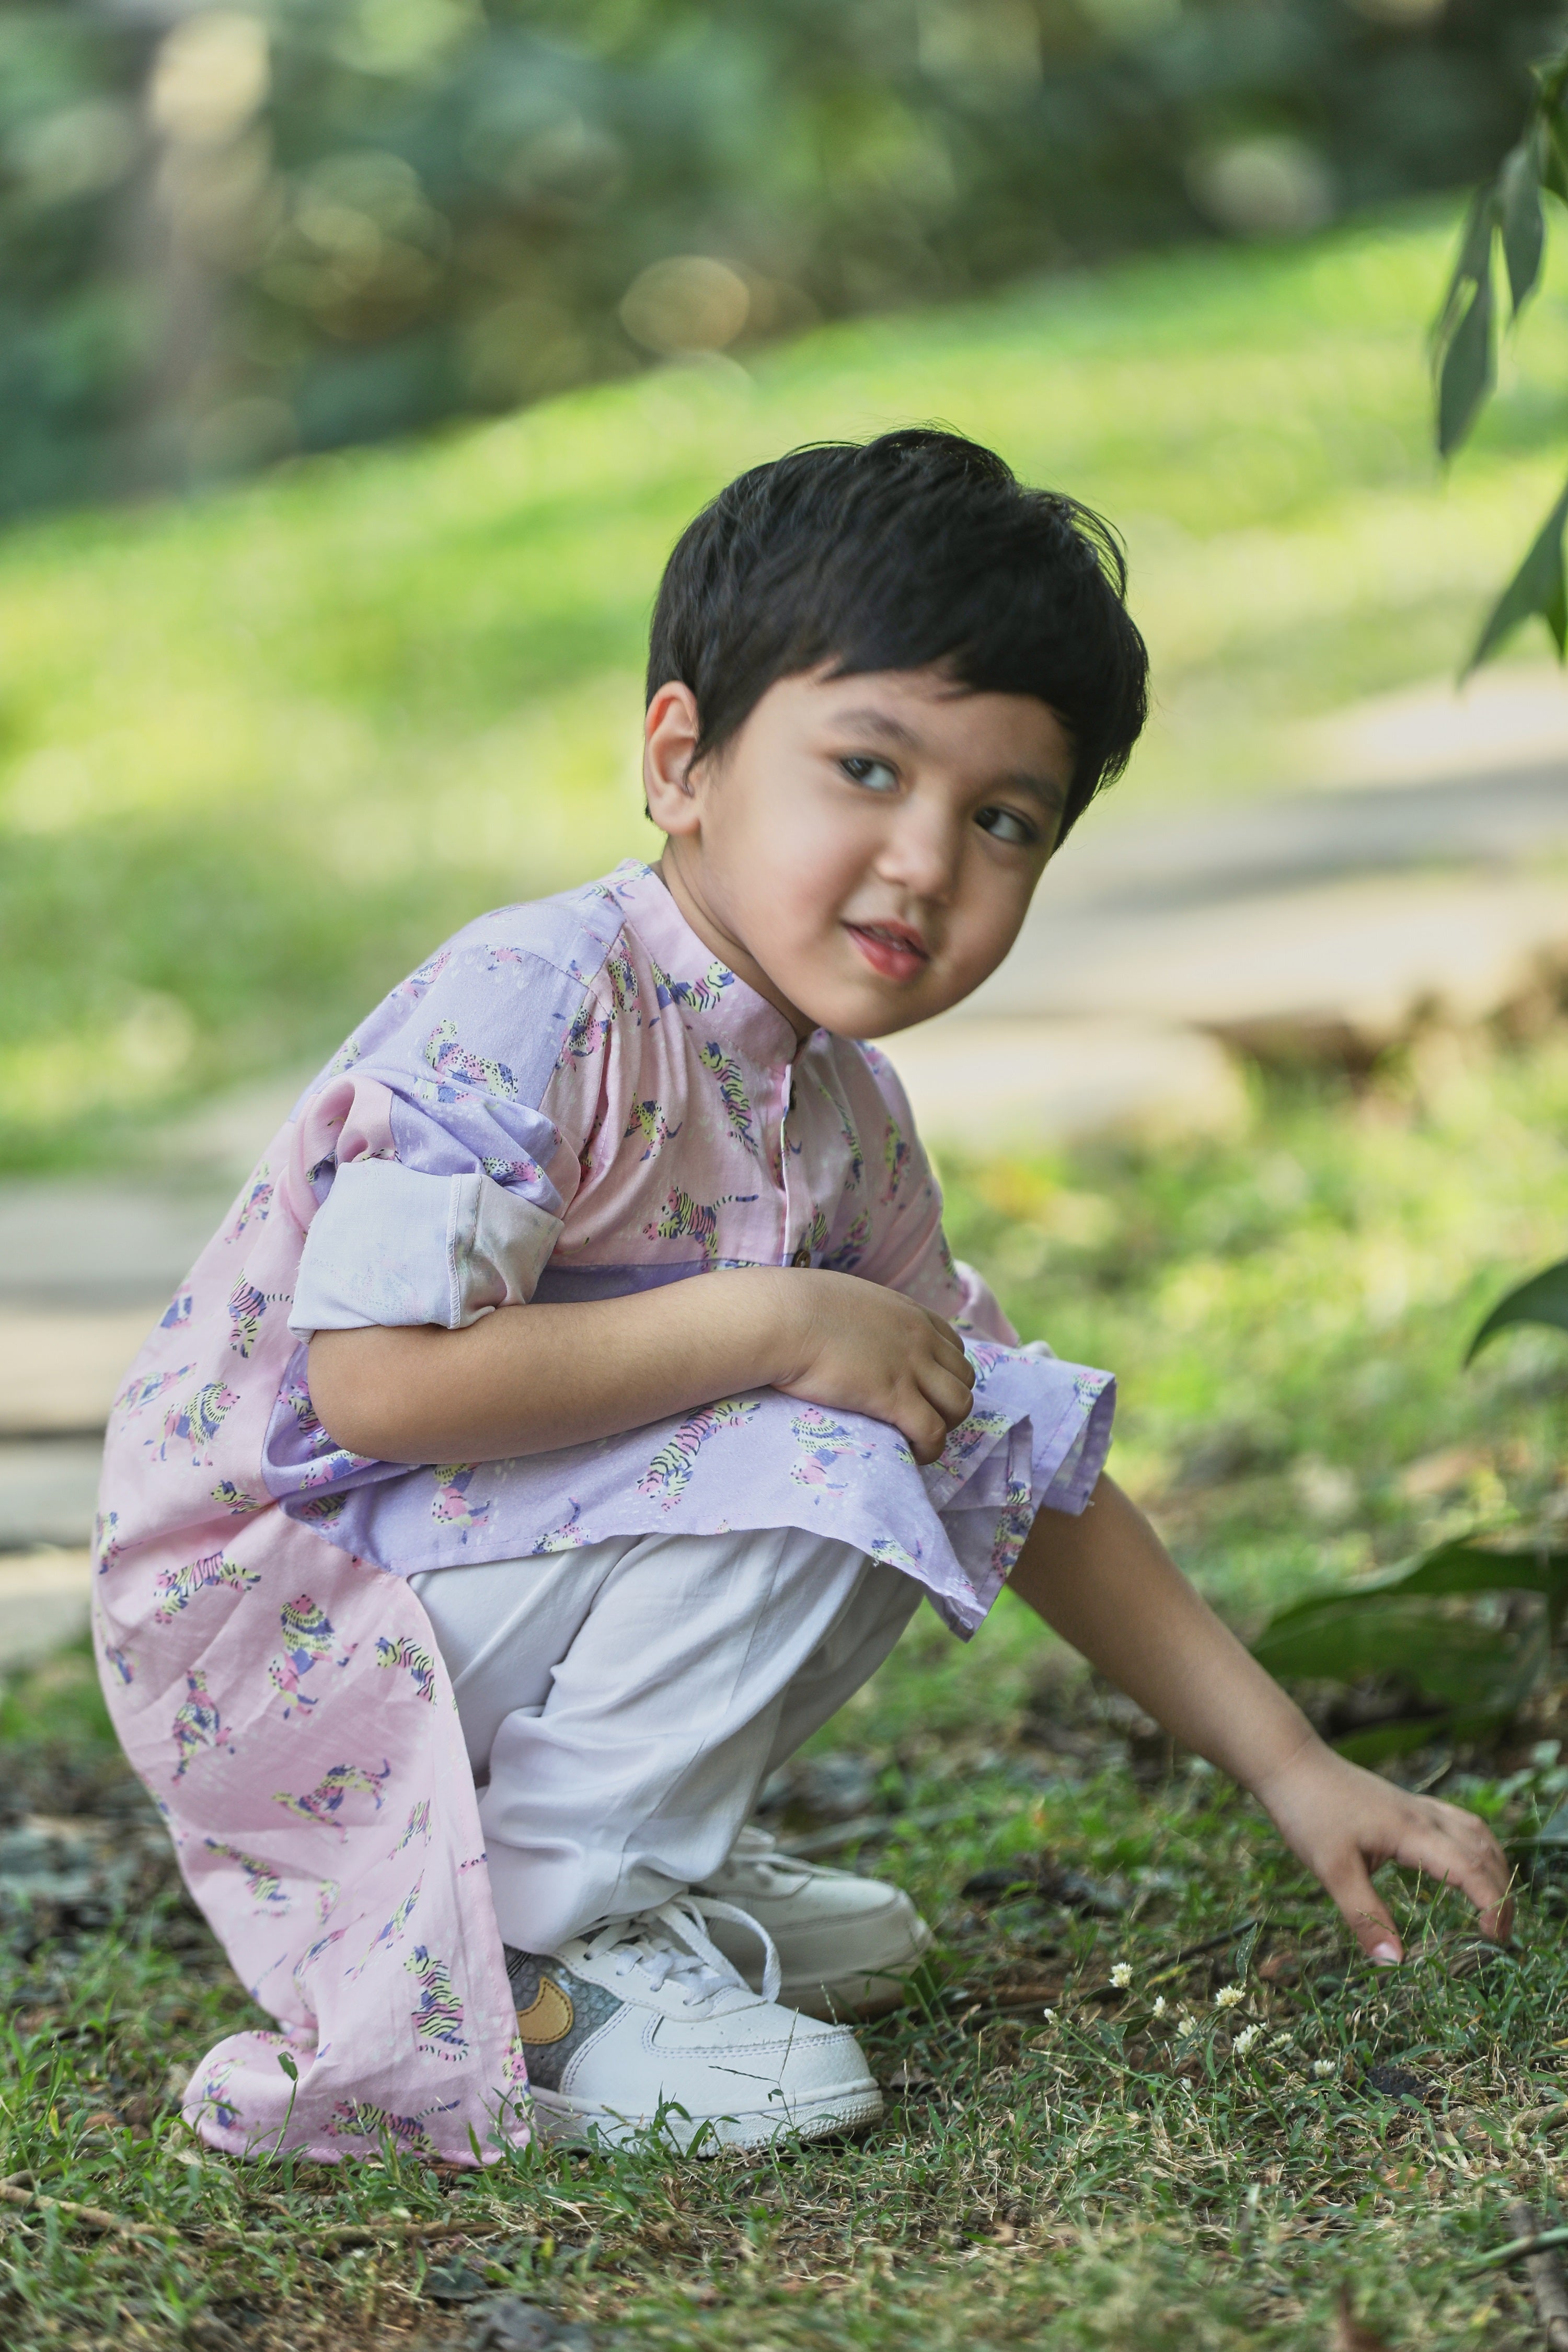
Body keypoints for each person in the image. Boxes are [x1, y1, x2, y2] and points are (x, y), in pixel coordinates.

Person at [95, 429, 1511, 2165]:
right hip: (287, 1618)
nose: (928, 859)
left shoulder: (843, 1110)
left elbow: (1002, 1450)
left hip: (441, 1581)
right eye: (867, 767)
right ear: (681, 757)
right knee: (829, 1425)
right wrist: (777, 1322)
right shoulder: (542, 998)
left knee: (914, 1405)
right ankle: (545, 1951)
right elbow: (376, 1385)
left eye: (1004, 819)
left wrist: (1299, 1765)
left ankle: (611, 1845)